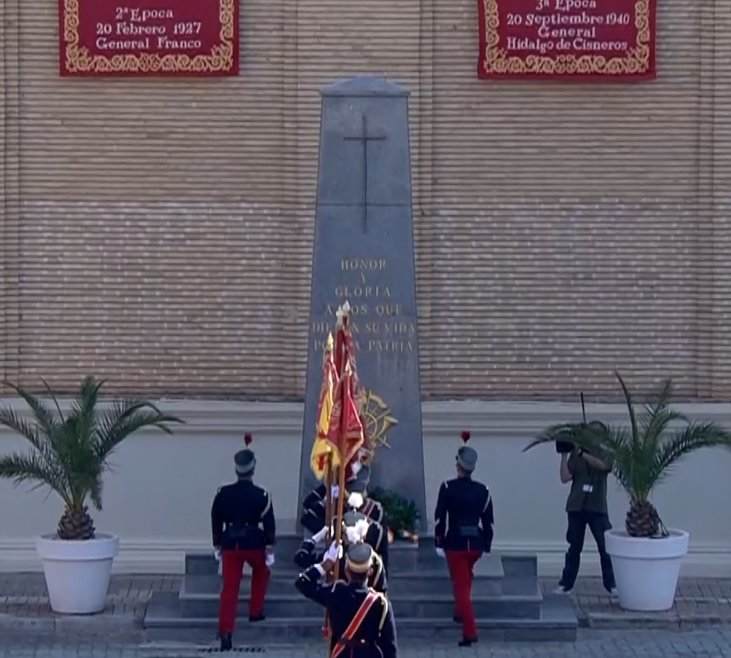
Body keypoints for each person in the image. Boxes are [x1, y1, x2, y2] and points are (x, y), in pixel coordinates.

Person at [211, 441, 276, 652]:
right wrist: (269, 545)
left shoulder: (223, 493)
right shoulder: (262, 495)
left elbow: (215, 518)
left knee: (230, 589)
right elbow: (269, 522)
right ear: (253, 469)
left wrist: (218, 542)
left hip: (230, 543)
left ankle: (226, 632)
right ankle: (255, 611)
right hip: (253, 543)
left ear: (236, 469)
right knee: (262, 571)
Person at [434, 432, 494, 648]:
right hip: (475, 543)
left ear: (458, 465)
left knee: (461, 587)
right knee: (465, 578)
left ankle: (470, 632)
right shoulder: (482, 490)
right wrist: (487, 543)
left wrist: (438, 541)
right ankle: (460, 612)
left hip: (456, 543)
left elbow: (440, 517)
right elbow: (489, 521)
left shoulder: (448, 488)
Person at [295, 542, 398, 658]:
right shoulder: (380, 603)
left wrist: (326, 564)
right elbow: (390, 648)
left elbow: (303, 583)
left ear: (347, 569)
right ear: (370, 571)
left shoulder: (336, 593)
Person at [555, 443, 616, 595]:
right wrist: (564, 456)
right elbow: (565, 477)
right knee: (574, 547)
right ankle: (566, 584)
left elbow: (603, 466)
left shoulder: (605, 452)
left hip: (597, 506)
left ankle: (611, 584)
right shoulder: (576, 454)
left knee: (605, 547)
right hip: (576, 506)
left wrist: (584, 454)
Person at [294, 511, 388, 591]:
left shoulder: (336, 556)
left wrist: (318, 536)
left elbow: (301, 558)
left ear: (343, 534)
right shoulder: (375, 561)